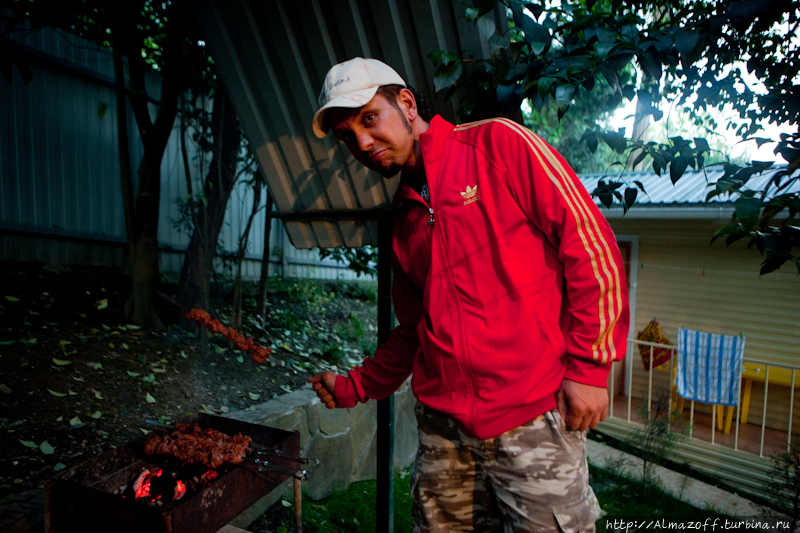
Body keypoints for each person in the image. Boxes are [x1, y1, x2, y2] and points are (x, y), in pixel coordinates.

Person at [308, 57, 629, 533]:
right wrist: (356, 386)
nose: (362, 143)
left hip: (531, 419)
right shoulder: (403, 220)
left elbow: (590, 246)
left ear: (407, 103)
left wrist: (590, 366)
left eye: (369, 118)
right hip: (444, 434)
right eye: (347, 136)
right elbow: (416, 332)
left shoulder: (497, 144)